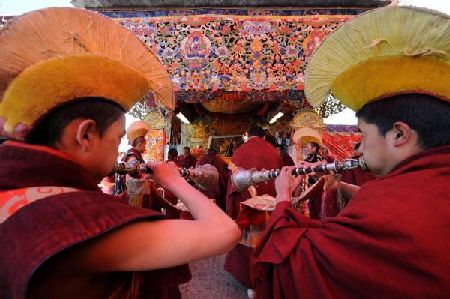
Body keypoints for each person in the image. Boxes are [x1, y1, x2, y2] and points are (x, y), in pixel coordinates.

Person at [0, 7, 240, 299]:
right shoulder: (73, 216)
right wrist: (175, 181)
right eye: (116, 139)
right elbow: (225, 232)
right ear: (86, 134)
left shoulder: (16, 191)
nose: (119, 150)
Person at [252, 6, 450, 299]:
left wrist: (283, 200)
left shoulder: (395, 204)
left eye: (364, 133)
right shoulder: (424, 187)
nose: (360, 145)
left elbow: (296, 259)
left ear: (399, 134)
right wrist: (343, 187)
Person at [224, 125, 282, 293]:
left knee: (247, 238)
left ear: (248, 135)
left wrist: (231, 208)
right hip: (270, 201)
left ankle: (247, 276)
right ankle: (266, 274)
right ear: (263, 136)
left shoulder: (240, 151)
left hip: (246, 203)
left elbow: (232, 184)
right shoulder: (272, 151)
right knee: (266, 237)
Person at [196, 146, 229, 211]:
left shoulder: (200, 160)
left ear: (207, 152)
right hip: (217, 195)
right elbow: (225, 180)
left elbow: (196, 176)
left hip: (203, 194)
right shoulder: (221, 161)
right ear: (216, 153)